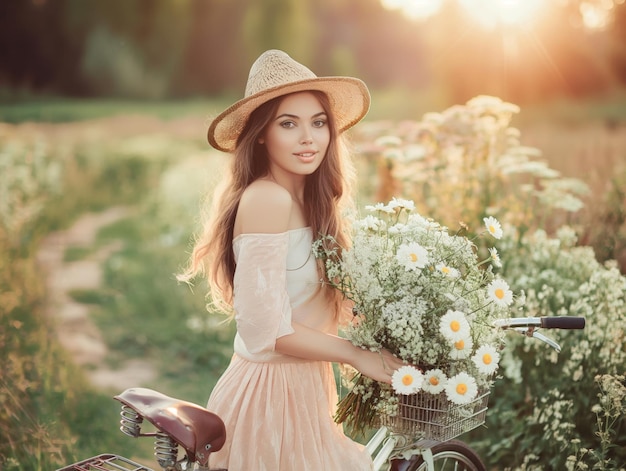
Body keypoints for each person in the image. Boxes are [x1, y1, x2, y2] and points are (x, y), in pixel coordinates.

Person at [181, 49, 404, 470]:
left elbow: (319, 304)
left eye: (318, 123)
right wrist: (355, 355)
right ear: (262, 134)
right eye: (289, 124)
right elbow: (265, 329)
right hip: (269, 399)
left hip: (308, 393)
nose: (309, 138)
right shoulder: (267, 197)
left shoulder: (315, 202)